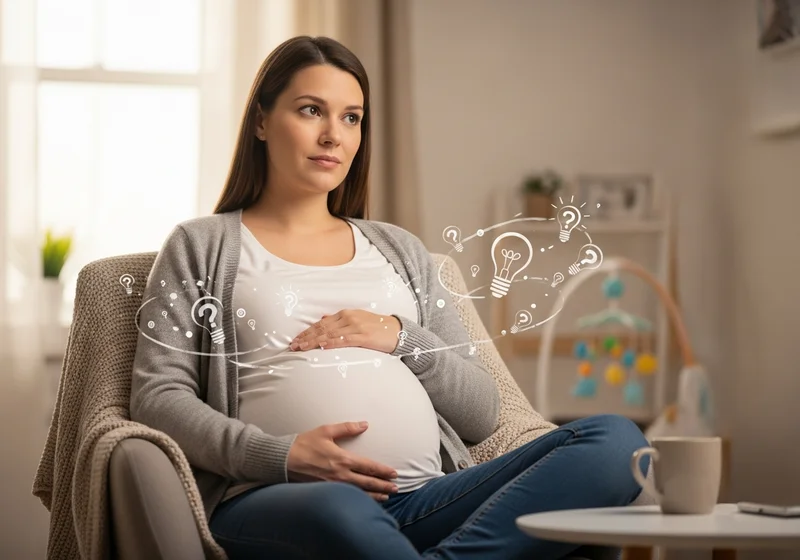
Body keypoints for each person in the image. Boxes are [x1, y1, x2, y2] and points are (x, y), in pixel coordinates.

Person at [130, 35, 650, 560]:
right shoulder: (202, 245)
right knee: (339, 507)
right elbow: (158, 398)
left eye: (351, 118)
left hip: (427, 500)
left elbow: (481, 414)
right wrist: (280, 456)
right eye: (311, 110)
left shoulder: (401, 250)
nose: (333, 135)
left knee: (617, 444)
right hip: (282, 500)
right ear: (261, 121)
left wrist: (402, 337)